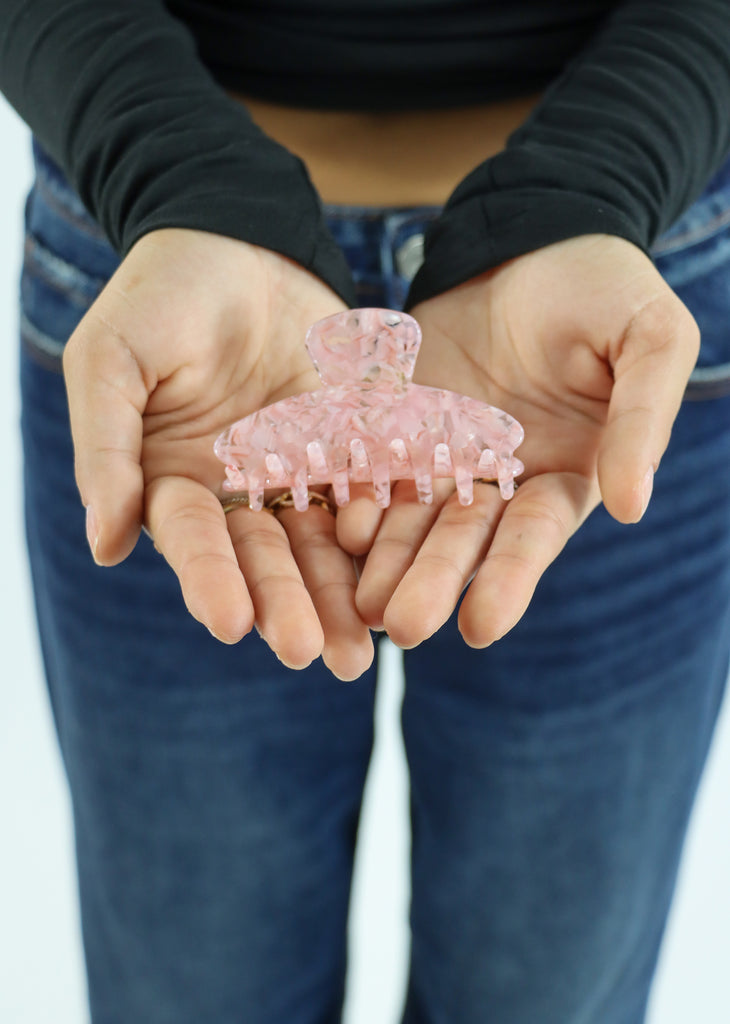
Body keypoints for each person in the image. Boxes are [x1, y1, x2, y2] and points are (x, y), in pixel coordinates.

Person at [2, 1, 730, 1021]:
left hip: (619, 250)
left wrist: (598, 174)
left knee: (550, 993)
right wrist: (173, 166)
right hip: (156, 250)